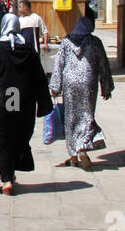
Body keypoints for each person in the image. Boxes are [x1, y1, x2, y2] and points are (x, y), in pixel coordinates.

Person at [0, 13, 52, 195]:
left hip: (0, 102)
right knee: (19, 135)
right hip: (24, 102)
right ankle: (11, 173)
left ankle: (6, 179)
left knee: (2, 138)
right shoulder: (28, 50)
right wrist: (44, 103)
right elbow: (39, 78)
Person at [49, 11, 114, 170]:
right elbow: (103, 65)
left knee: (70, 117)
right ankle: (82, 146)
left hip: (69, 83)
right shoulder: (95, 42)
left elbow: (59, 64)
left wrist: (55, 86)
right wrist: (106, 86)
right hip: (88, 82)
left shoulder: (66, 41)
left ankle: (73, 155)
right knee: (87, 114)